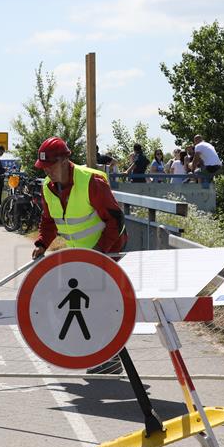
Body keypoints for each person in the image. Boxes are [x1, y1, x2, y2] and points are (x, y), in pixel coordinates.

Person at [32, 137, 127, 374]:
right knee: (87, 304)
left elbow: (115, 221)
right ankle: (100, 355)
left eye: (51, 166)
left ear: (65, 160)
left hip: (108, 248)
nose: (47, 172)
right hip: (82, 255)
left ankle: (111, 358)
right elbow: (48, 220)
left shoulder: (91, 182)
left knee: (100, 304)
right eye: (43, 168)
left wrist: (99, 254)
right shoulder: (48, 187)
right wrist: (43, 243)